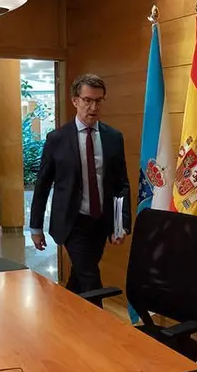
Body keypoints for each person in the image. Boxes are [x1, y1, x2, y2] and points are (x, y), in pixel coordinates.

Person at [29, 74, 132, 302]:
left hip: (101, 222)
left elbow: (121, 184)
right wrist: (36, 227)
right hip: (72, 222)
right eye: (87, 100)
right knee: (91, 280)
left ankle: (63, 311)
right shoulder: (57, 139)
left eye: (98, 101)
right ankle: (100, 324)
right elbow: (43, 184)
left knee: (80, 277)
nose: (93, 107)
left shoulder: (114, 137)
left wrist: (121, 223)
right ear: (75, 101)